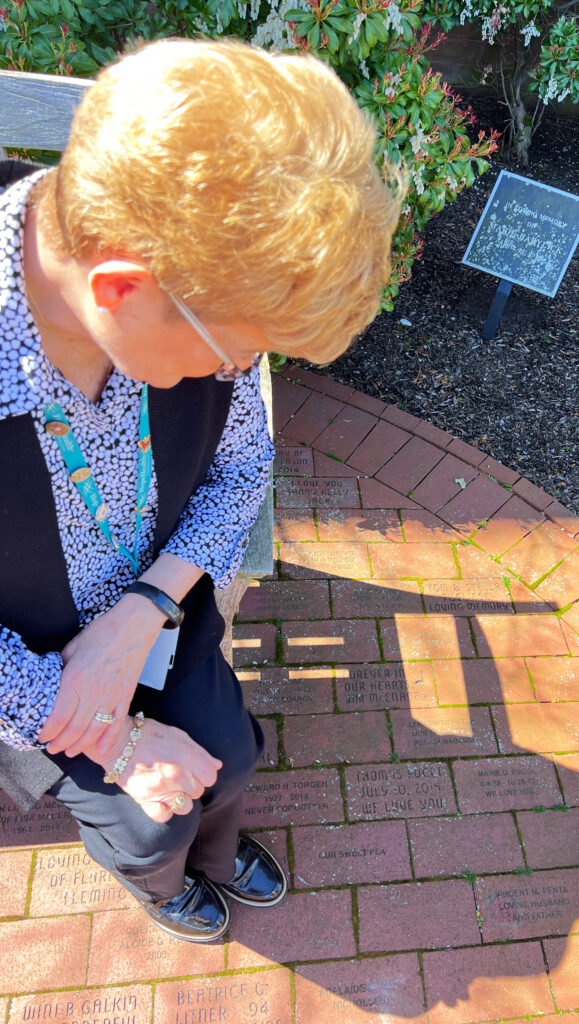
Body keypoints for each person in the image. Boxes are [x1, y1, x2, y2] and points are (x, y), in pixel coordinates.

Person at [0, 37, 401, 942]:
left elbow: (239, 467)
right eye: (235, 351)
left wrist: (144, 608)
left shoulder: (178, 295)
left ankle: (212, 858)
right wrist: (118, 740)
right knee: (148, 820)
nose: (241, 372)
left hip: (164, 615)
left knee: (230, 754)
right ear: (123, 290)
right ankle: (159, 882)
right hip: (27, 677)